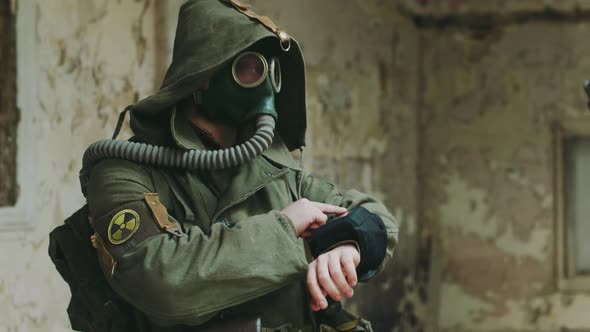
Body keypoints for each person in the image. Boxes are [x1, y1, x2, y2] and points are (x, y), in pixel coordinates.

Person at [79, 0, 398, 331]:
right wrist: (288, 231)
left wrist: (349, 242)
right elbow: (162, 281)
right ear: (202, 75)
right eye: (251, 68)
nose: (265, 86)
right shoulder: (123, 171)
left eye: (271, 71)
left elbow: (377, 220)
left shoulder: (276, 171)